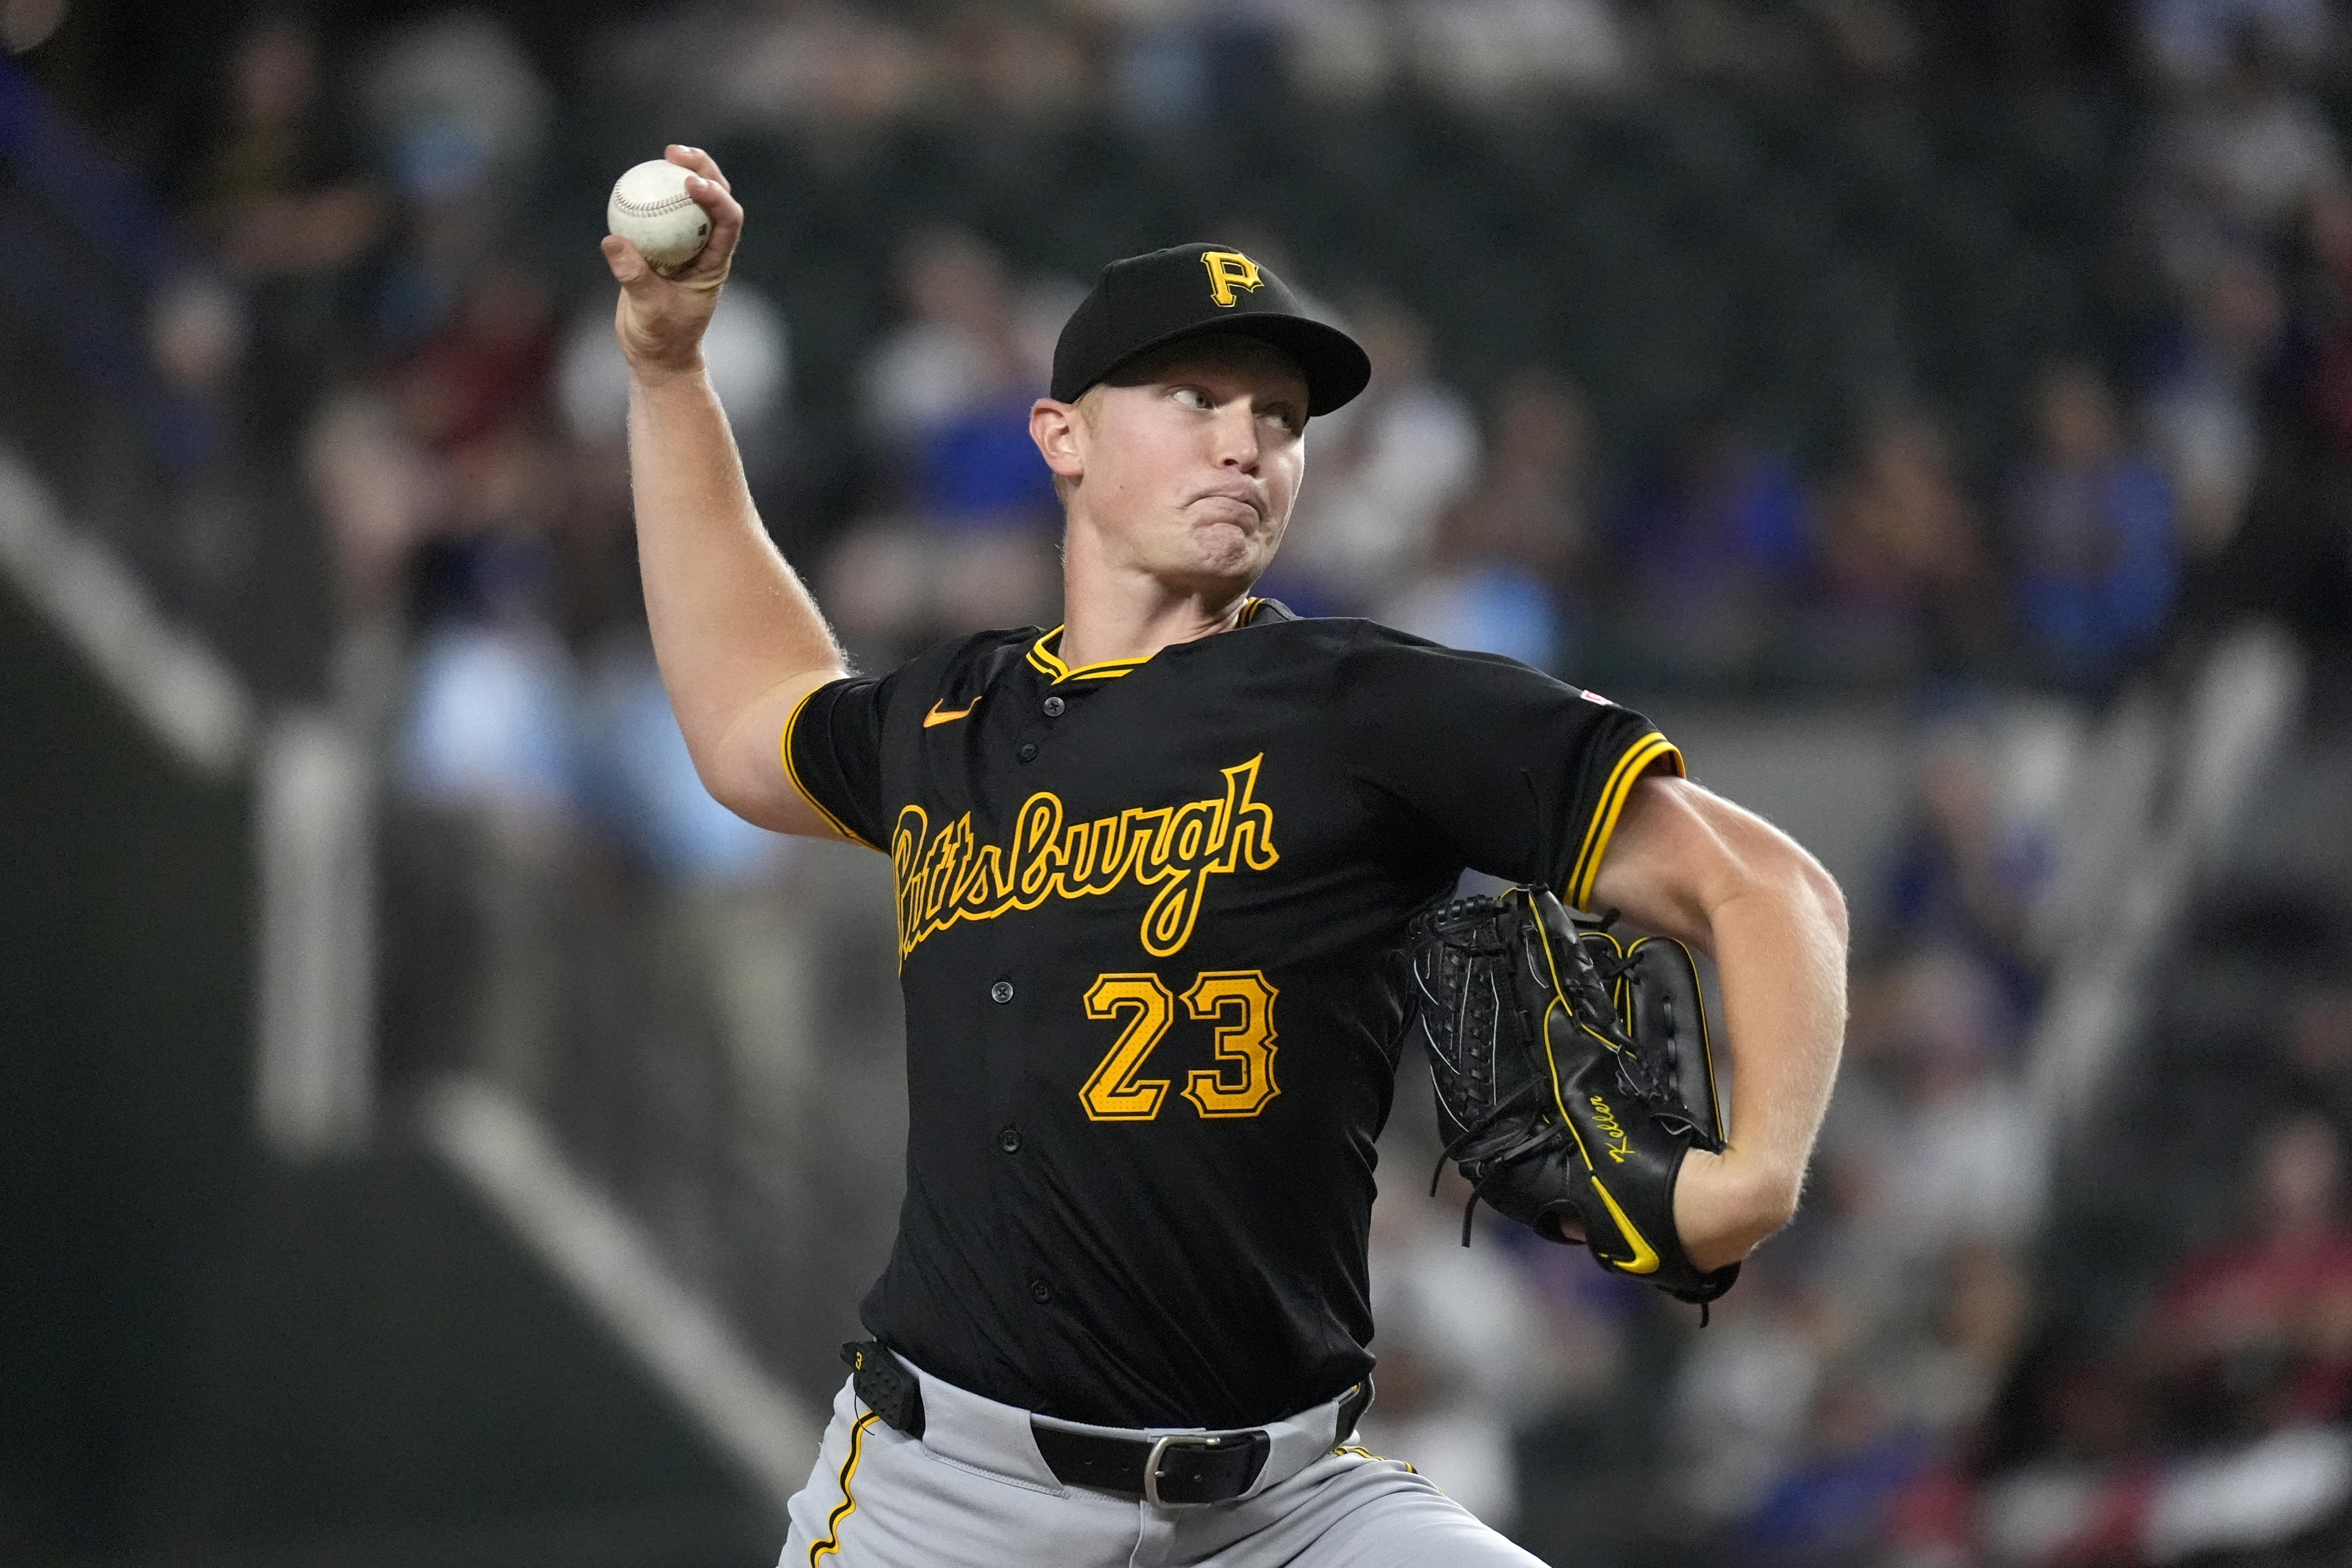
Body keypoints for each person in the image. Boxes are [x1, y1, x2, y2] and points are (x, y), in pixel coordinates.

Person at [602, 147, 1849, 1568]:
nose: (1246, 442)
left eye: (1280, 415)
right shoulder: (953, 720)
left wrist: (1754, 1175)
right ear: (1062, 436)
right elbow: (746, 717)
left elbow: (1769, 888)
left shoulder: (1373, 705)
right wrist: (666, 375)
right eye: (1194, 398)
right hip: (947, 1504)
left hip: (1290, 1507)